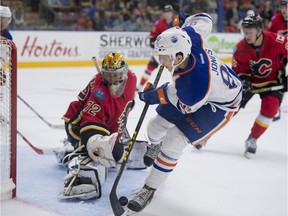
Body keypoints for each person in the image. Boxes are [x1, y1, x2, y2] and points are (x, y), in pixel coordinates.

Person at [126, 13, 243, 213]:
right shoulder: (190, 36)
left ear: (179, 56)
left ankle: (149, 188)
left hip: (220, 105)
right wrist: (182, 21)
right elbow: (204, 18)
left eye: (163, 57)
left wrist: (156, 95)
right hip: (199, 90)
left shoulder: (195, 86)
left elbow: (182, 101)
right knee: (154, 128)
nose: (160, 60)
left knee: (173, 141)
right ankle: (155, 147)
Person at [54, 52, 147, 200]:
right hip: (77, 125)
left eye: (115, 74)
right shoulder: (99, 93)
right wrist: (95, 142)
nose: (112, 78)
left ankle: (90, 147)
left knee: (116, 153)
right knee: (105, 153)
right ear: (103, 73)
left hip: (108, 123)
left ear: (124, 72)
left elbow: (124, 103)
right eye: (108, 75)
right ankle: (76, 151)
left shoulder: (131, 77)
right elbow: (89, 122)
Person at [231, 15, 287, 159]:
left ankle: (252, 138)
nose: (247, 35)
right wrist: (243, 80)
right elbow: (237, 72)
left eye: (250, 31)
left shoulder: (278, 41)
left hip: (274, 83)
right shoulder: (240, 48)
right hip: (250, 83)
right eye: (245, 31)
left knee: (270, 108)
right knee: (231, 107)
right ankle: (206, 133)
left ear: (259, 30)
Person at [136, 4, 174, 91]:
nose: (167, 14)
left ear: (172, 13)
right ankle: (140, 86)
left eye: (169, 12)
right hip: (160, 52)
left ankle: (179, 86)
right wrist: (156, 46)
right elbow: (151, 38)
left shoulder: (177, 23)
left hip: (173, 52)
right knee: (149, 67)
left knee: (176, 70)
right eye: (166, 12)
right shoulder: (159, 23)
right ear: (163, 14)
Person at [266, 0, 288, 121]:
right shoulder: (275, 19)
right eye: (282, 7)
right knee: (279, 80)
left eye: (286, 7)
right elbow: (268, 36)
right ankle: (276, 107)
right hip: (281, 55)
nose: (284, 10)